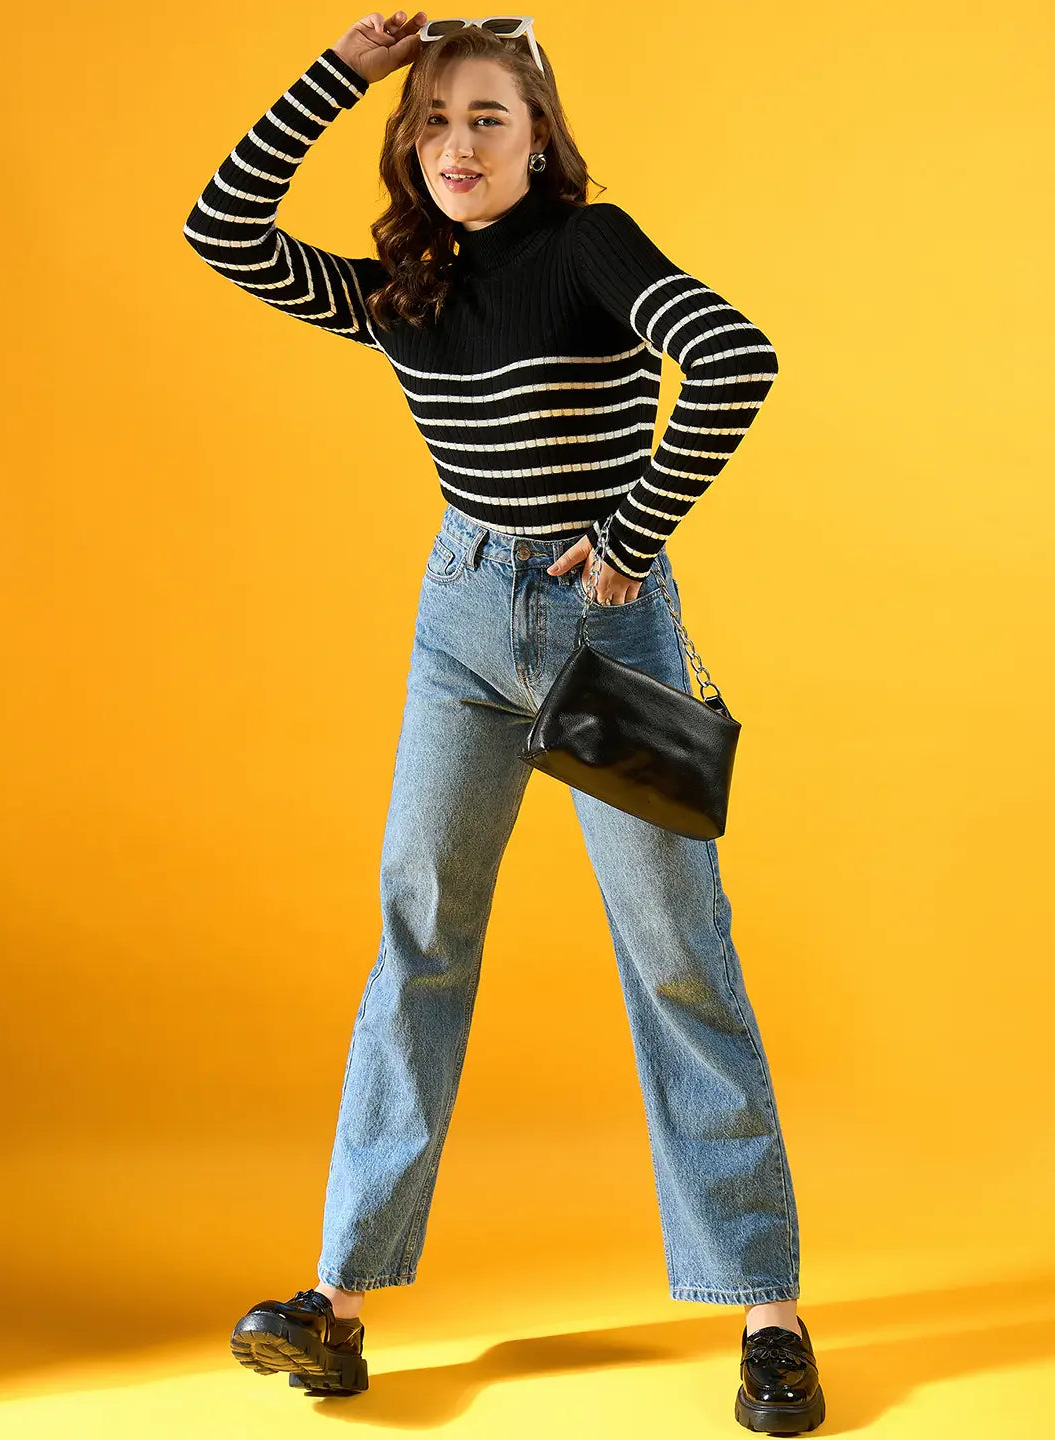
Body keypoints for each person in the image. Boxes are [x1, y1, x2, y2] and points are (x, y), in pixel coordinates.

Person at [185, 12, 825, 1432]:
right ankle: (336, 1309)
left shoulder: (594, 244)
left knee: (679, 959)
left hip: (615, 641)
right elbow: (221, 228)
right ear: (406, 147)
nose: (460, 145)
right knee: (419, 935)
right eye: (434, 122)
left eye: (488, 118)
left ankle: (768, 1314)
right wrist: (344, 72)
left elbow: (733, 357)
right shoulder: (408, 288)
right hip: (462, 624)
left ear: (539, 135)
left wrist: (630, 534)